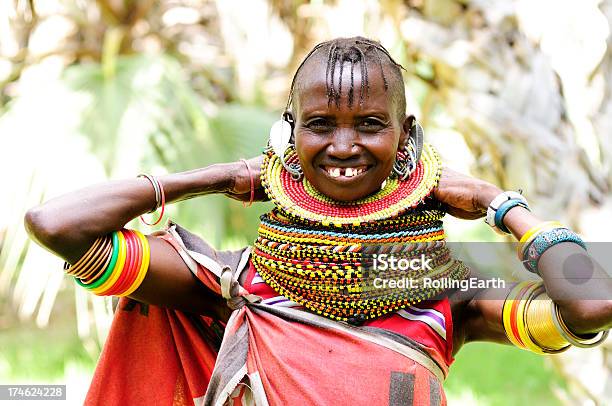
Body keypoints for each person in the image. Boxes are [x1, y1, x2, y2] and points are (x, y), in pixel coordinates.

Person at [25, 37, 611, 406]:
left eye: (371, 125)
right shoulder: (246, 281)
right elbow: (56, 225)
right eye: (321, 124)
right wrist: (223, 174)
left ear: (406, 136)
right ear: (290, 130)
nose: (344, 146)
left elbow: (593, 305)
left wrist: (498, 204)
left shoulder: (447, 283)